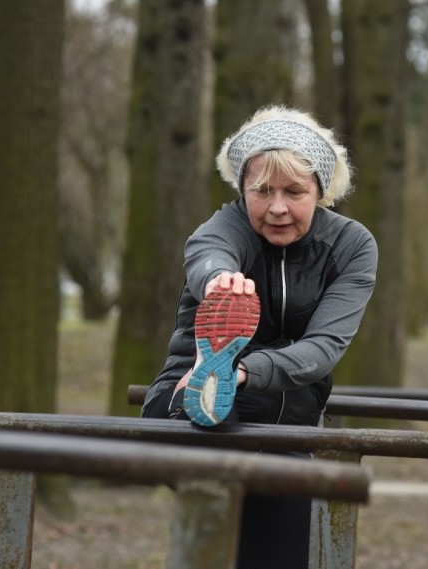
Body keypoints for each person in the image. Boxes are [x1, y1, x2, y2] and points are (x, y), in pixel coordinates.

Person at [141, 105, 377, 569]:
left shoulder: (352, 247)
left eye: (295, 191)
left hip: (287, 431)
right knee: (221, 509)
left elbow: (323, 348)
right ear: (242, 189)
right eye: (262, 190)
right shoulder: (227, 226)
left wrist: (244, 369)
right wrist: (219, 283)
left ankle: (222, 378)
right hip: (189, 408)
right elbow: (207, 253)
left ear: (322, 190)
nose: (276, 207)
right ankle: (208, 387)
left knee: (277, 549)